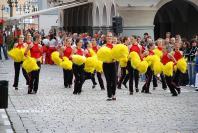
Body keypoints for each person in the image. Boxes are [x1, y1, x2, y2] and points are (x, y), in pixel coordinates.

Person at [103, 32, 117, 100]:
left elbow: (117, 56)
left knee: (114, 80)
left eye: (110, 36)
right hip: (106, 64)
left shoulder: (115, 46)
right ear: (106, 38)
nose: (109, 37)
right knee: (108, 80)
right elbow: (101, 56)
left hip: (113, 64)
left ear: (112, 38)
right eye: (108, 36)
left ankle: (113, 94)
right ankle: (109, 95)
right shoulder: (103, 46)